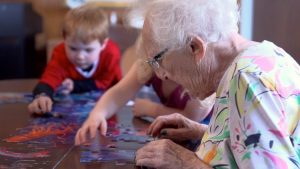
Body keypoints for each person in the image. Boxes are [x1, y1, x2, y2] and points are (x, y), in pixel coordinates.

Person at [132, 0, 300, 168]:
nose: (161, 74)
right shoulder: (268, 54)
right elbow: (260, 146)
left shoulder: (248, 79)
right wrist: (206, 133)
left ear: (194, 47)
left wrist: (184, 161)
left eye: (157, 60)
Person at [74, 36, 215, 145]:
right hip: (171, 134)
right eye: (154, 61)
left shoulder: (199, 74)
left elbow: (191, 119)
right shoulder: (151, 63)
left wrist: (152, 109)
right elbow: (119, 93)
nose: (160, 72)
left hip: (209, 135)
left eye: (164, 62)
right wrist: (97, 114)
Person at [28, 3, 122, 114]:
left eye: (88, 50)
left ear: (103, 44)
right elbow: (49, 78)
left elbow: (105, 82)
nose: (80, 56)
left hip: (109, 106)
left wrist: (76, 85)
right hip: (71, 110)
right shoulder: (60, 53)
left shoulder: (111, 54)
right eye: (73, 48)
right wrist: (42, 95)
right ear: (64, 39)